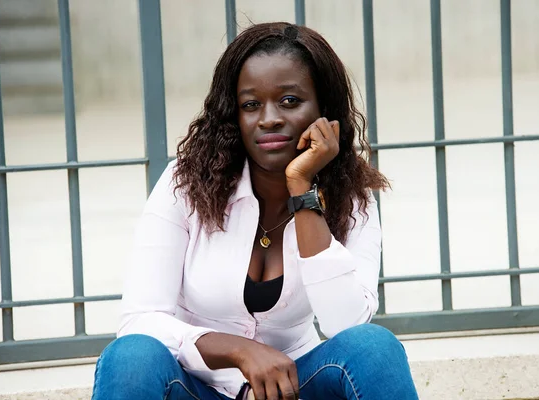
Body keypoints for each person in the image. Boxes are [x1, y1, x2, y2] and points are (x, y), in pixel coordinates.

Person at [91, 22, 418, 400]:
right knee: (132, 356)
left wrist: (303, 190)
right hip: (195, 388)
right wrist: (241, 351)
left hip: (295, 387)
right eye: (251, 105)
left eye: (290, 101)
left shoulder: (351, 196)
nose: (269, 118)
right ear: (235, 114)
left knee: (373, 347)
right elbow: (139, 320)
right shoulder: (186, 183)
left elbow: (345, 323)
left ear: (324, 110)